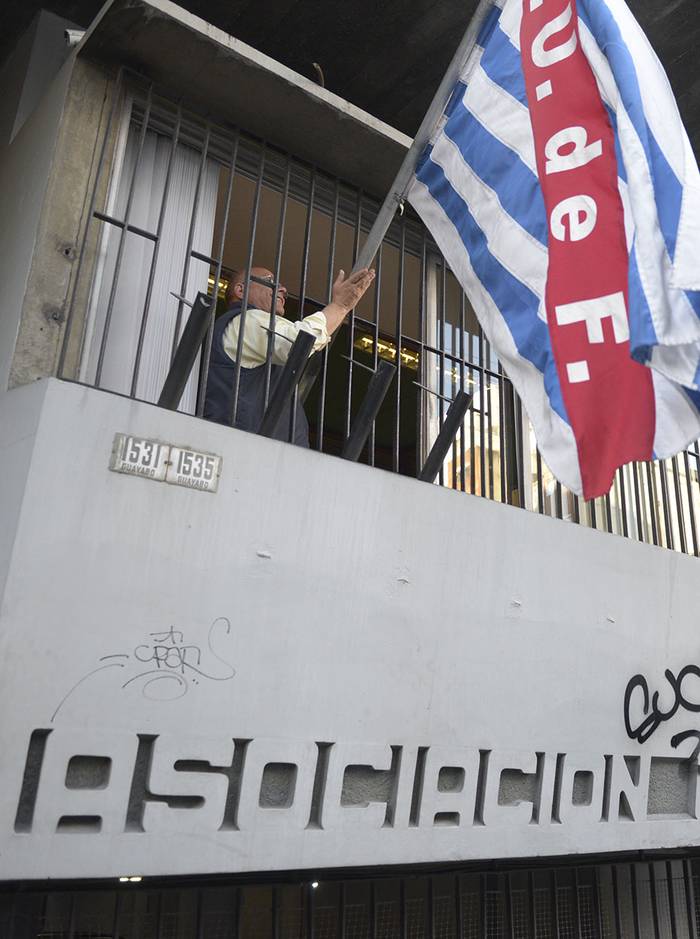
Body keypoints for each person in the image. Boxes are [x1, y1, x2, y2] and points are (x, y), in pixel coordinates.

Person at [204, 265, 375, 446]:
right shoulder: (246, 320)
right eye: (270, 281)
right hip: (246, 449)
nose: (283, 290)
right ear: (241, 290)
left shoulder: (251, 330)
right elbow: (299, 342)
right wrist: (340, 306)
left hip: (259, 451)